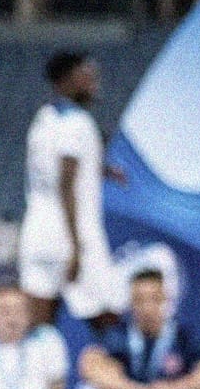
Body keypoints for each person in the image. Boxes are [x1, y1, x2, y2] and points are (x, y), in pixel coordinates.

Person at [19, 51, 124, 324]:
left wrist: (102, 170)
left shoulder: (43, 118)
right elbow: (66, 182)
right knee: (108, 314)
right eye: (85, 74)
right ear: (66, 79)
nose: (93, 80)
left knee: (40, 325)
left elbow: (54, 167)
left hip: (37, 231)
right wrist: (75, 247)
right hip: (73, 233)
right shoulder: (77, 122)